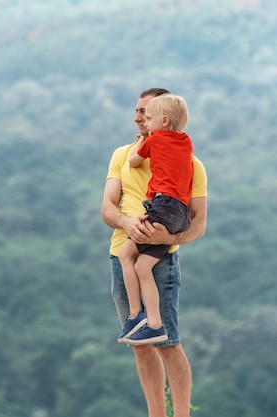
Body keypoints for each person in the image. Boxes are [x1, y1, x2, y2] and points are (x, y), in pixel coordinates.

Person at [101, 87, 207, 417]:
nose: (137, 117)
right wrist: (126, 222)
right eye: (137, 111)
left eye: (144, 111)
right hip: (121, 254)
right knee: (140, 346)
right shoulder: (122, 154)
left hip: (160, 258)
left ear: (161, 117)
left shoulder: (191, 165)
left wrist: (167, 234)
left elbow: (198, 224)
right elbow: (106, 208)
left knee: (168, 343)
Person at [117, 94, 194, 345]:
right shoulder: (187, 142)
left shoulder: (154, 138)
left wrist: (142, 142)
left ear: (163, 120)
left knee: (125, 256)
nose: (144, 122)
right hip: (180, 214)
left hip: (162, 205)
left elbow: (134, 161)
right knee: (143, 267)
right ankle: (154, 324)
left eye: (148, 118)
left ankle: (135, 316)